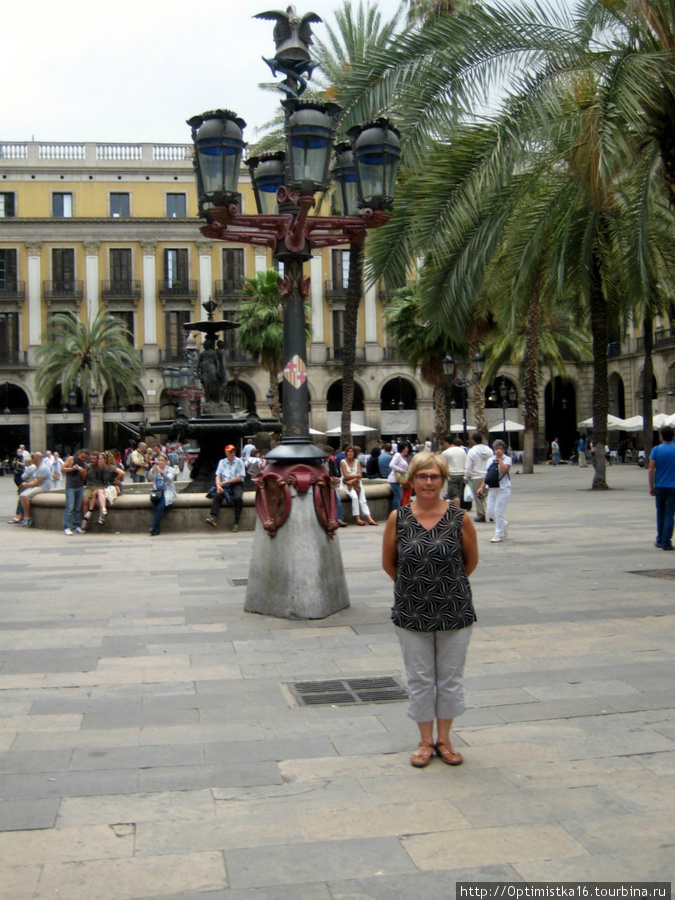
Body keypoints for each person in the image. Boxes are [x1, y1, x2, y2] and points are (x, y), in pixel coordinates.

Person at [382, 451, 478, 768]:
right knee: (420, 679)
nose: (428, 482)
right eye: (422, 476)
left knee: (450, 679)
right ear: (412, 479)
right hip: (411, 612)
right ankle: (425, 742)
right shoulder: (399, 518)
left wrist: (443, 586)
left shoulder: (459, 518)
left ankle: (445, 741)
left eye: (434, 476)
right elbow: (389, 563)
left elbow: (470, 562)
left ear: (443, 480)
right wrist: (417, 588)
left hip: (454, 611)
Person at [477, 439, 512, 543]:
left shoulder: (507, 459)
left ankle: (499, 534)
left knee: (498, 512)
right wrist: (481, 486)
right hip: (492, 488)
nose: (499, 451)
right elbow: (488, 475)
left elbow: (505, 470)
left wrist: (500, 460)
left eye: (501, 449)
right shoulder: (490, 460)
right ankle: (503, 524)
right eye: (497, 449)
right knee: (490, 512)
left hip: (503, 489)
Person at [206, 444, 245, 532]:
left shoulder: (239, 462)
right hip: (223, 484)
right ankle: (213, 517)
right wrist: (219, 486)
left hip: (236, 483)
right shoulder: (222, 462)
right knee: (217, 495)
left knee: (238, 498)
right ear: (226, 453)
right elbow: (217, 476)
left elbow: (240, 477)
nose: (232, 453)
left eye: (234, 451)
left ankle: (236, 523)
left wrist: (226, 482)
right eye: (230, 452)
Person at [648, 425, 675, 551]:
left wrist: (651, 486)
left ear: (661, 436)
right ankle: (666, 542)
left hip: (660, 486)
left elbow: (651, 469)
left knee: (660, 513)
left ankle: (659, 539)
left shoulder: (656, 450)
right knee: (670, 513)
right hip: (673, 486)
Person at [340, 446, 378, 526]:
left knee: (363, 499)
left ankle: (369, 518)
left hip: (357, 483)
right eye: (349, 451)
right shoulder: (343, 462)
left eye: (352, 452)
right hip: (346, 484)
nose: (350, 453)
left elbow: (360, 475)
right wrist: (355, 476)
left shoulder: (357, 462)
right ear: (346, 453)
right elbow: (346, 476)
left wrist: (352, 480)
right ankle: (358, 518)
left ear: (354, 453)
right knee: (354, 497)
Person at [16, 452, 53, 527]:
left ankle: (27, 517)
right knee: (21, 495)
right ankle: (25, 516)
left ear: (36, 459)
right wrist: (27, 485)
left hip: (43, 487)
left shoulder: (43, 468)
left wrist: (28, 485)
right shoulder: (37, 467)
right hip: (38, 486)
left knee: (25, 496)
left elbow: (38, 483)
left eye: (32, 458)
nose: (31, 459)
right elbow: (34, 479)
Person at [463, 433, 493, 523]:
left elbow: (468, 466)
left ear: (473, 441)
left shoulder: (472, 451)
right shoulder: (489, 450)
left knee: (478, 497)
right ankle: (492, 514)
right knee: (488, 496)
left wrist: (466, 477)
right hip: (488, 476)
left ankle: (481, 515)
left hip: (476, 476)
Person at [148, 454, 177, 536]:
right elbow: (150, 478)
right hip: (157, 491)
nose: (160, 462)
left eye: (162, 460)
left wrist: (162, 473)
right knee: (155, 505)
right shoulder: (155, 469)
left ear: (166, 462)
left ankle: (153, 526)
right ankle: (156, 529)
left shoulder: (171, 469)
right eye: (159, 460)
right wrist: (153, 471)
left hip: (168, 491)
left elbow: (169, 480)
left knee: (160, 505)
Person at [61, 449, 88, 535]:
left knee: (77, 508)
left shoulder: (84, 464)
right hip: (71, 486)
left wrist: (83, 472)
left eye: (85, 458)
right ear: (79, 454)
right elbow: (62, 469)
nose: (83, 459)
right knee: (70, 507)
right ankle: (67, 527)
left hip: (79, 486)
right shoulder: (71, 459)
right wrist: (71, 469)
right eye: (82, 457)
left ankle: (76, 526)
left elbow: (84, 479)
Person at [441, 436, 467, 505]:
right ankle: (459, 508)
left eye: (444, 443)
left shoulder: (445, 453)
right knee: (459, 494)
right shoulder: (462, 451)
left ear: (446, 443)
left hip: (452, 474)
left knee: (454, 495)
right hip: (462, 474)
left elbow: (443, 465)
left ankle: (456, 510)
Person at [388, 441, 412, 510]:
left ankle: (398, 510)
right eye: (406, 447)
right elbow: (391, 464)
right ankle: (396, 511)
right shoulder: (398, 455)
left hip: (398, 479)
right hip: (394, 479)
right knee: (398, 495)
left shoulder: (402, 456)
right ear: (403, 448)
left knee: (399, 495)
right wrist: (400, 470)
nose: (407, 449)